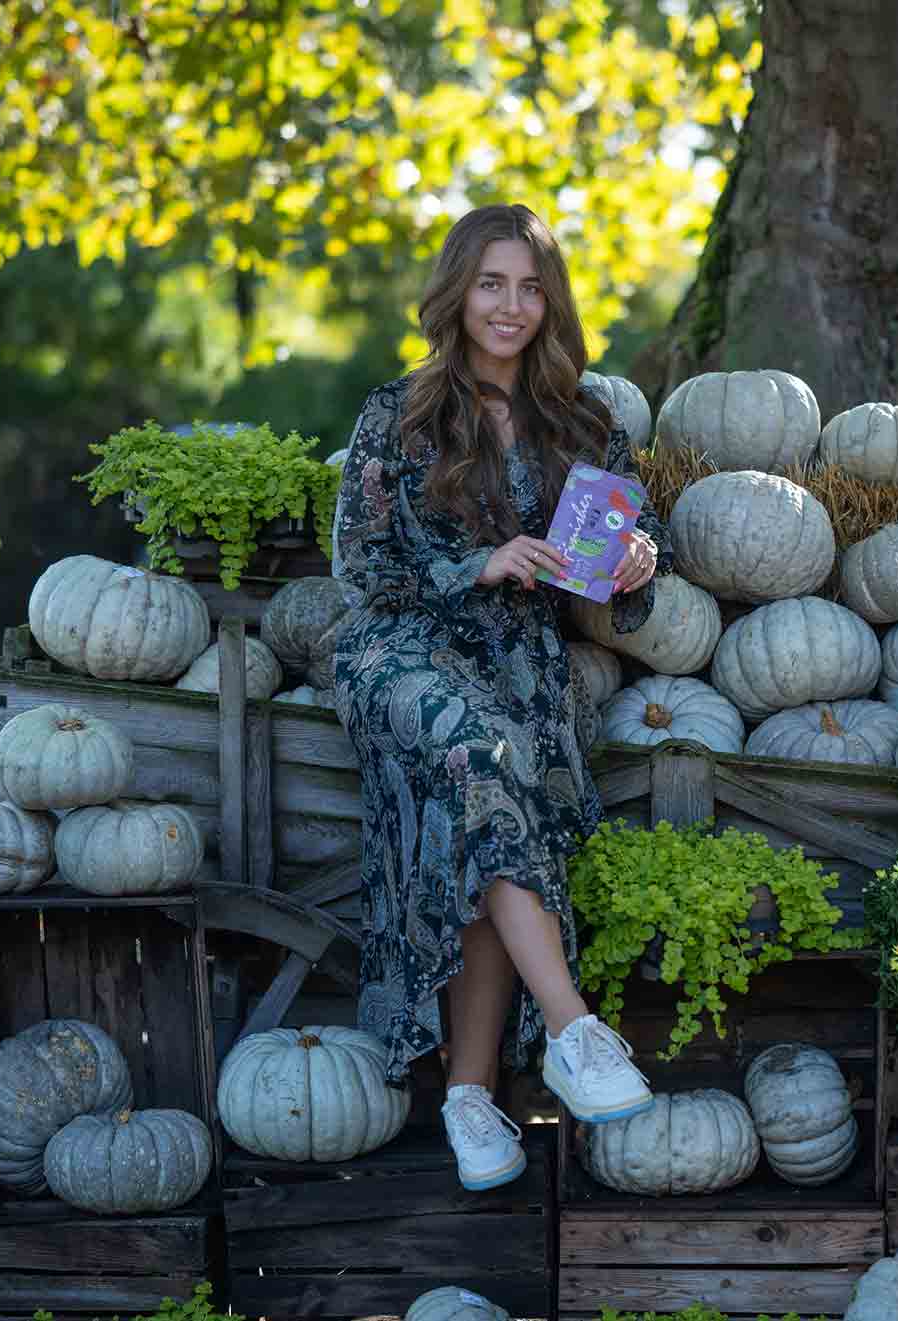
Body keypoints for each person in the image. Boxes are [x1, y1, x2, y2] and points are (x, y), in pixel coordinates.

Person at [329, 203, 663, 1191]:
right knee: (481, 759)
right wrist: (477, 563)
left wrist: (636, 564)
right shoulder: (398, 413)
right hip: (400, 651)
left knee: (486, 806)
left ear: (550, 302)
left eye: (529, 287)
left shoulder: (585, 423)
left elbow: (613, 564)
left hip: (517, 660)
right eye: (490, 284)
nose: (510, 306)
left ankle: (468, 1100)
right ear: (457, 292)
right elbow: (361, 567)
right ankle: (572, 1030)